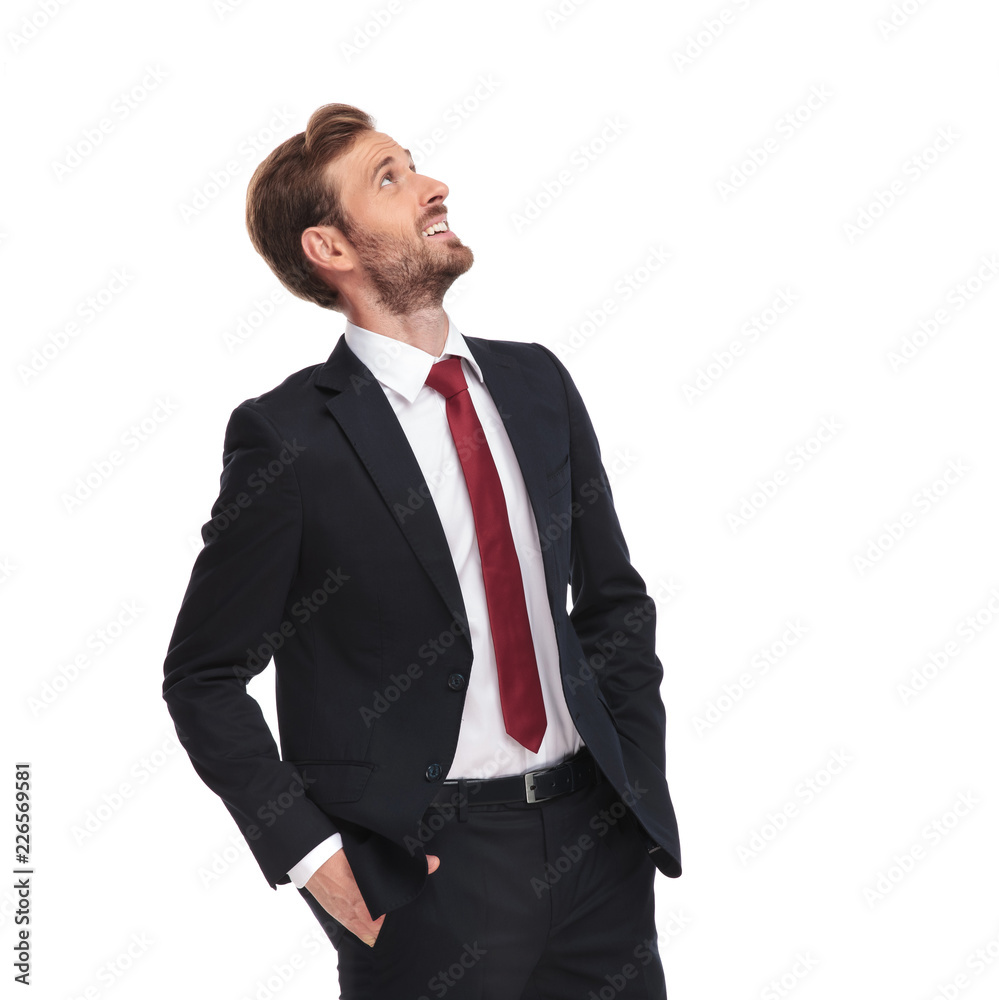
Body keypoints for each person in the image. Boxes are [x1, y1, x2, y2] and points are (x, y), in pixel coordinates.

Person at [162, 102, 681, 999]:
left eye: (416, 165)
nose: (433, 188)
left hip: (598, 850)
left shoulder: (538, 383)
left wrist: (635, 785)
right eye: (390, 179)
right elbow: (202, 678)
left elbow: (614, 605)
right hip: (428, 877)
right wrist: (314, 858)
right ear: (330, 247)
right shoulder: (289, 439)